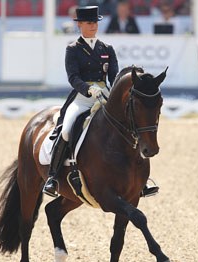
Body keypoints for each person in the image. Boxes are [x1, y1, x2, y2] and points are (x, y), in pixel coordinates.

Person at [43, 5, 158, 198]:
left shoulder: (107, 48)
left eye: (95, 22)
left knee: (130, 125)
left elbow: (114, 76)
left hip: (105, 95)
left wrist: (114, 93)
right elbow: (73, 77)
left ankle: (141, 181)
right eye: (89, 23)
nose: (93, 26)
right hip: (82, 98)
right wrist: (88, 89)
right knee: (66, 130)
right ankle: (53, 178)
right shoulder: (73, 49)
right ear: (79, 24)